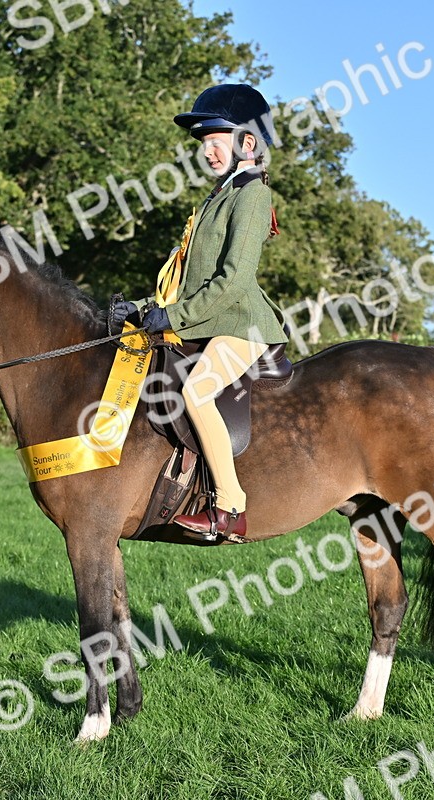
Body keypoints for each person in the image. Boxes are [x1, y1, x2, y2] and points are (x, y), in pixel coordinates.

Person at [111, 84, 288, 540]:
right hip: (209, 318)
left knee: (197, 391)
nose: (207, 150)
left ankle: (230, 507)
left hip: (241, 325)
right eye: (203, 142)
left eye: (216, 138)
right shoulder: (216, 196)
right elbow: (187, 280)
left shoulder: (252, 195)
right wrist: (145, 308)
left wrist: (174, 319)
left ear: (247, 142)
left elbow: (231, 281)